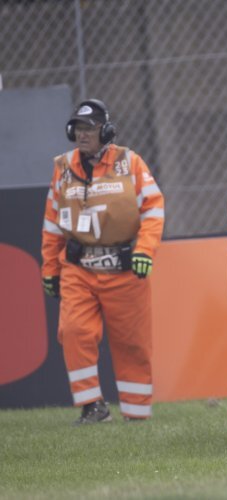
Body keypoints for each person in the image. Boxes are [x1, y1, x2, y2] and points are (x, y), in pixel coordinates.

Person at [41, 99, 165, 425]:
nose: (83, 135)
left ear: (105, 130)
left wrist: (144, 251)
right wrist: (50, 268)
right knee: (73, 331)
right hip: (77, 268)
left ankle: (137, 414)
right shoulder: (62, 167)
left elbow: (153, 209)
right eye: (78, 128)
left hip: (125, 268)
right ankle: (92, 406)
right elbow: (52, 224)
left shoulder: (130, 162)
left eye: (90, 128)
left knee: (132, 343)